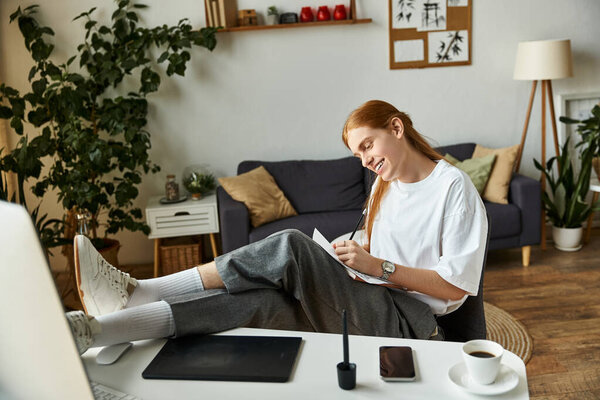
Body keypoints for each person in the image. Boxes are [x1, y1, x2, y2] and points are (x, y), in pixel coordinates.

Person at [66, 100, 488, 354]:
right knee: (260, 301)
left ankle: (142, 292)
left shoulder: (453, 189)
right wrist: (352, 249)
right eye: (357, 153)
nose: (364, 160)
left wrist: (379, 268)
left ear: (396, 128)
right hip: (367, 295)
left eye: (367, 145)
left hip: (412, 325)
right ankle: (101, 330)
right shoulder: (386, 182)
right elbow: (379, 242)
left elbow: (456, 288)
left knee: (288, 245)